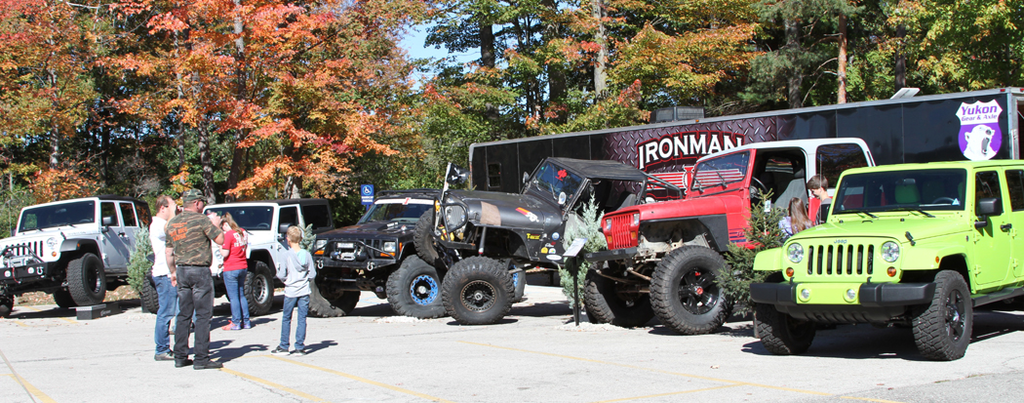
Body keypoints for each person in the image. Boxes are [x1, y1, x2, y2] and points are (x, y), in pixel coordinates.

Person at [166, 189, 224, 370]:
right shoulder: (202, 220)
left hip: (182, 270)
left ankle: (180, 356)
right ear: (197, 203)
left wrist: (173, 271)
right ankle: (201, 358)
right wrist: (216, 223)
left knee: (183, 314)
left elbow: (168, 253)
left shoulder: (172, 223)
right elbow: (221, 240)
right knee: (203, 315)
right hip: (199, 271)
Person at [273, 226, 317, 356]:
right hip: (304, 291)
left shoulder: (286, 255)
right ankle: (299, 347)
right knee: (302, 318)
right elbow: (312, 273)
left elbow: (281, 274)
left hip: (291, 291)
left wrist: (287, 281)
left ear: (288, 239)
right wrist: (304, 280)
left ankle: (284, 346)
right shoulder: (307, 254)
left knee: (287, 318)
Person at [150, 195, 178, 362]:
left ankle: (165, 347)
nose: (174, 210)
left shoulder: (161, 224)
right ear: (163, 208)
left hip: (168, 272)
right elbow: (171, 228)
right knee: (166, 312)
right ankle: (161, 349)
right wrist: (175, 213)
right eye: (171, 207)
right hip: (164, 273)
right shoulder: (158, 225)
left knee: (170, 310)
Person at [219, 213, 251, 331]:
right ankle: (246, 321)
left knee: (233, 297)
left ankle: (236, 321)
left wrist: (220, 247)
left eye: (222, 226)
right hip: (243, 265)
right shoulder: (242, 232)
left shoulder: (229, 234)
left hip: (231, 267)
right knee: (241, 294)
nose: (222, 229)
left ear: (225, 224)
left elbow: (225, 253)